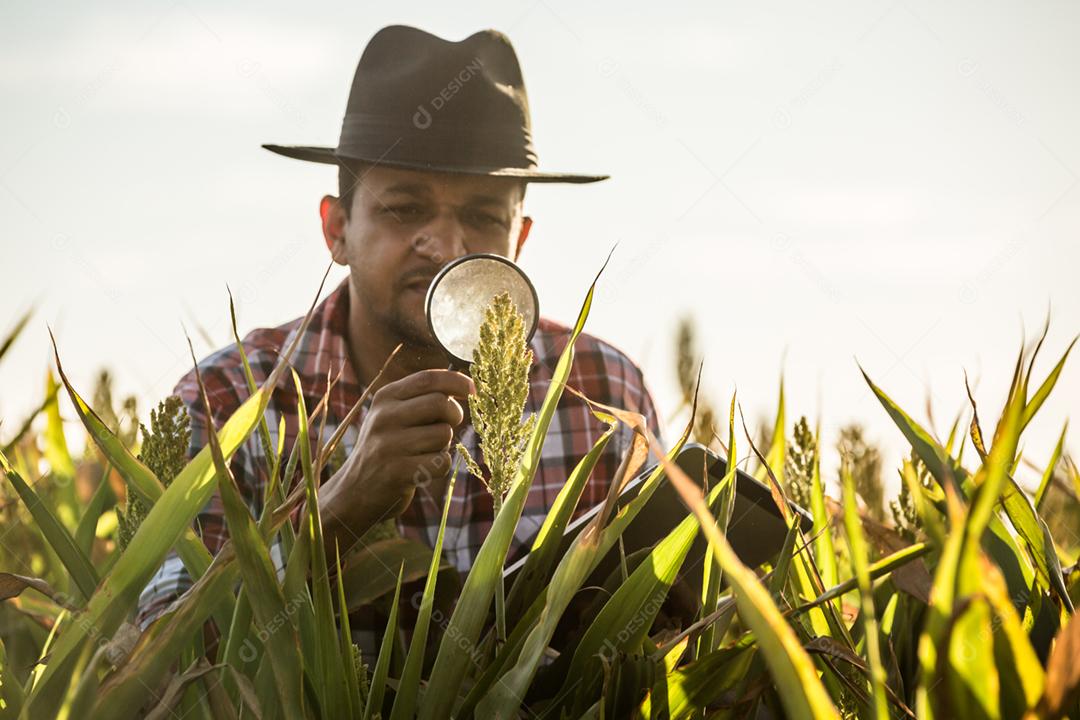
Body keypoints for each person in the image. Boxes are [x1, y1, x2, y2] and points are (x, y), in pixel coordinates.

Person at [136, 24, 664, 654]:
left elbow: (667, 629)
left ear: (519, 238)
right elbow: (158, 662)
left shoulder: (604, 390)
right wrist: (336, 517)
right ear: (337, 230)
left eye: (482, 216)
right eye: (405, 208)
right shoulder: (230, 401)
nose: (445, 246)